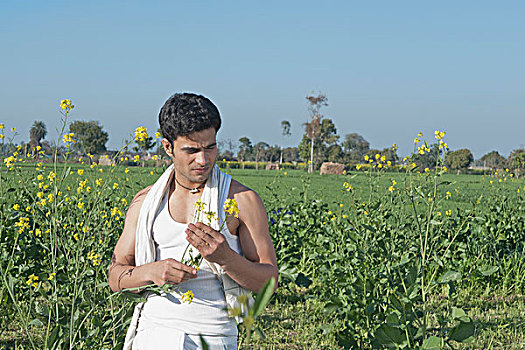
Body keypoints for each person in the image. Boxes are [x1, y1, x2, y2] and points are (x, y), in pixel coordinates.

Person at [107, 93, 279, 350]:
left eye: (210, 147)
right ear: (168, 147)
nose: (204, 160)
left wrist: (225, 258)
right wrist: (152, 272)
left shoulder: (243, 201)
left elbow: (270, 282)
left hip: (214, 335)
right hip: (154, 332)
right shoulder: (145, 202)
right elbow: (115, 275)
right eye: (192, 150)